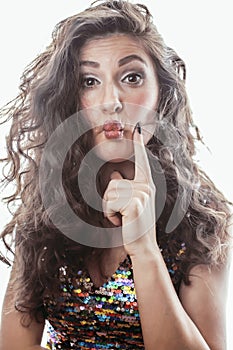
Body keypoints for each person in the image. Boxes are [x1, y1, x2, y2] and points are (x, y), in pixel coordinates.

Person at [0, 0, 232, 349]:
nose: (112, 100)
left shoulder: (203, 220)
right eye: (89, 81)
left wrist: (144, 249)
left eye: (132, 77)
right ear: (70, 99)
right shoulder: (45, 211)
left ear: (161, 93)